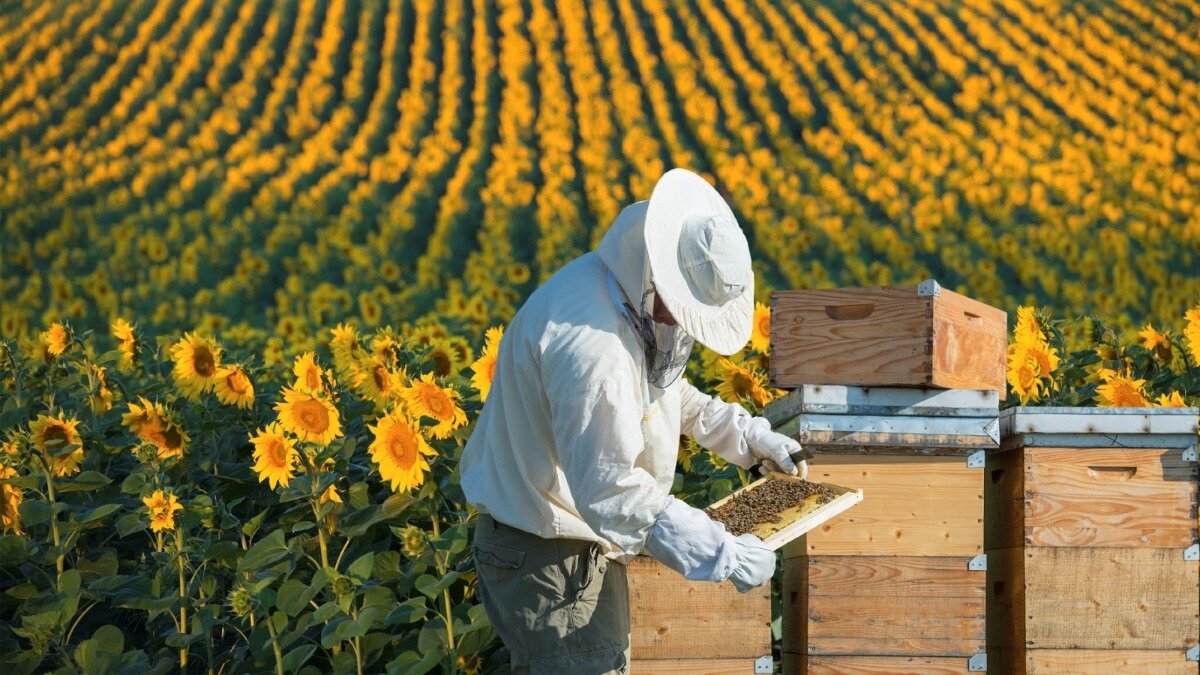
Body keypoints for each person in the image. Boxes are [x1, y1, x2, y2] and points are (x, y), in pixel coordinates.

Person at [460, 168, 811, 673]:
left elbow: (661, 394)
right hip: (549, 556)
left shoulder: (617, 290)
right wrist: (721, 553)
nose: (678, 323)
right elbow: (611, 488)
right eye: (682, 309)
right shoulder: (593, 346)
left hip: (563, 546)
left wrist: (747, 435)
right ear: (663, 273)